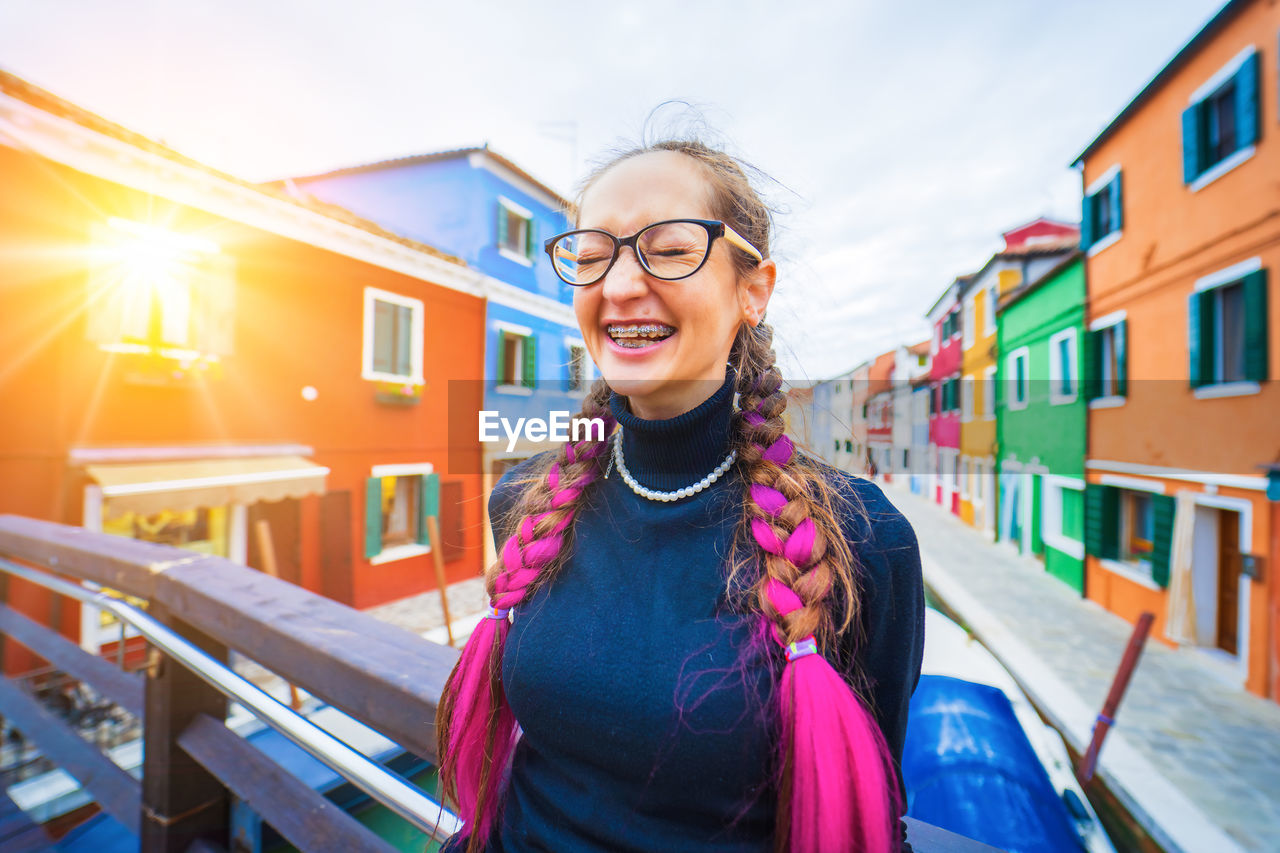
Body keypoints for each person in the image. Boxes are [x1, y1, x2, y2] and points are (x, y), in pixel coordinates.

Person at [436, 138, 925, 853]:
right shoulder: (524, 498)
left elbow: (870, 820)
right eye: (593, 253)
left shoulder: (863, 540)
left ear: (751, 291)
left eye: (667, 250)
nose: (621, 284)